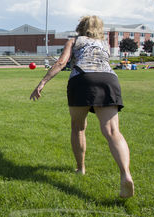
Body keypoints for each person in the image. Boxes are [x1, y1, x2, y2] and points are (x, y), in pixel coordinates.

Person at [30, 15, 134, 198]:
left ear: (80, 26)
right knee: (113, 132)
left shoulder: (74, 40)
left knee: (78, 128)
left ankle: (81, 168)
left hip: (82, 79)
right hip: (108, 80)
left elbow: (62, 63)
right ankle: (125, 173)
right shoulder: (105, 44)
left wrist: (42, 82)